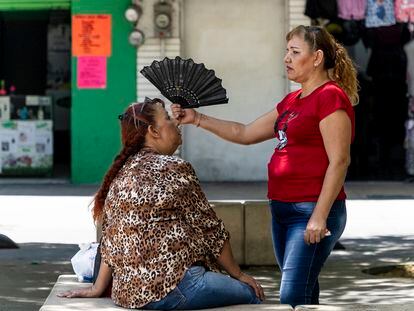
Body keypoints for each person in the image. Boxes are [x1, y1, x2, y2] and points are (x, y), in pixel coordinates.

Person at [172, 25, 357, 307]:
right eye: (286, 52)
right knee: (303, 290)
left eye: (295, 52)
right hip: (281, 209)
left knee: (292, 296)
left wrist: (319, 216)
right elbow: (244, 133)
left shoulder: (329, 96)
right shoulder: (292, 101)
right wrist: (196, 118)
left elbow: (340, 160)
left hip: (311, 210)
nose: (286, 58)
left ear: (317, 57)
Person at [58, 98, 264, 310]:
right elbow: (211, 231)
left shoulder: (122, 173)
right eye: (167, 118)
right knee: (252, 293)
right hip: (177, 288)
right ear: (153, 131)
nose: (175, 122)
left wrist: (97, 288)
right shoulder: (174, 167)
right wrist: (239, 275)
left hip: (128, 294)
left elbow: (111, 239)